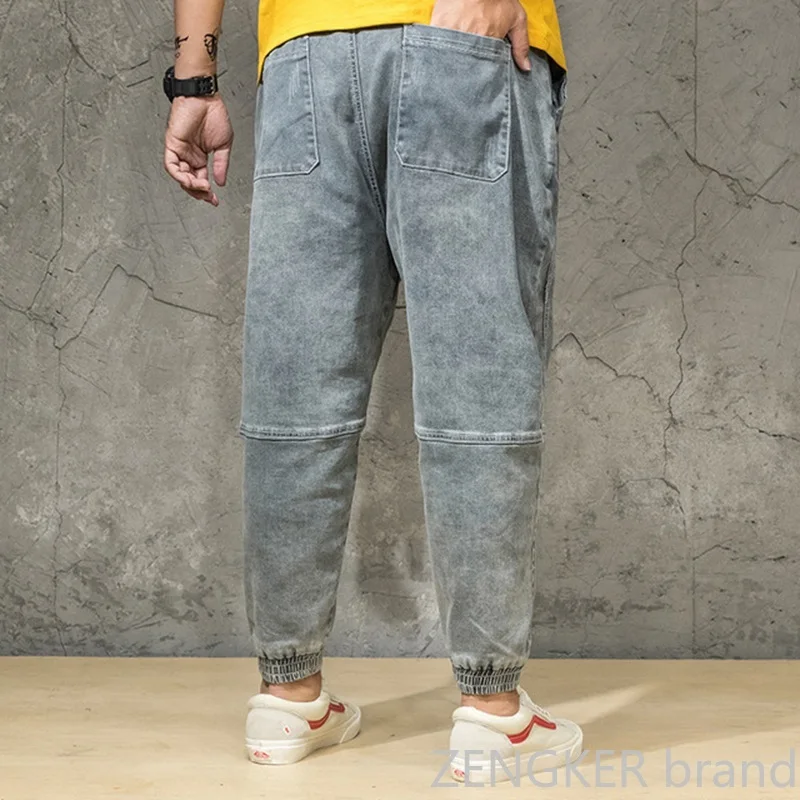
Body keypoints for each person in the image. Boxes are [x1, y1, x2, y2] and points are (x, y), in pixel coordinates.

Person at [163, 0, 580, 785]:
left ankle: (288, 698)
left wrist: (193, 77)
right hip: (453, 33)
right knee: (478, 371)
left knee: (297, 385)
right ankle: (494, 716)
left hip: (304, 53)